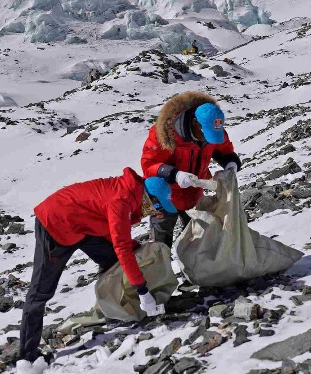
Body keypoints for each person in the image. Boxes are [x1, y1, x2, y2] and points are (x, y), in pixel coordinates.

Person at [19, 168, 177, 363]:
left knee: (113, 261)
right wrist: (143, 290)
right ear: (150, 200)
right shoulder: (122, 201)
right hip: (55, 223)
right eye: (158, 208)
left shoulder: (130, 193)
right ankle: (26, 357)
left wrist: (134, 247)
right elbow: (122, 246)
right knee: (40, 293)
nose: (155, 213)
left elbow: (105, 224)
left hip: (82, 226)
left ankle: (114, 307)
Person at [141, 91, 241, 248]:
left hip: (193, 193)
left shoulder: (213, 128)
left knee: (197, 238)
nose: (209, 139)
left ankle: (194, 269)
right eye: (206, 134)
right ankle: (161, 270)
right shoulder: (164, 134)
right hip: (163, 195)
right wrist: (175, 174)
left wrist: (231, 165)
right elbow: (149, 165)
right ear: (195, 122)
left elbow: (224, 149)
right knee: (161, 240)